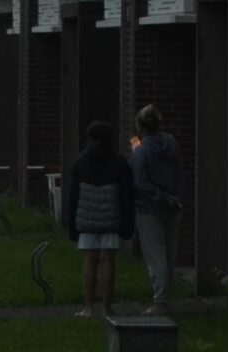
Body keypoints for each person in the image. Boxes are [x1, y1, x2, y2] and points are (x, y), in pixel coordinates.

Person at [63, 120, 132, 320]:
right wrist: (127, 223)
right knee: (108, 260)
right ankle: (107, 308)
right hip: (110, 218)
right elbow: (127, 194)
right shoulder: (119, 162)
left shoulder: (81, 162)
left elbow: (73, 195)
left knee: (89, 261)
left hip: (87, 219)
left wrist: (72, 224)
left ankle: (88, 308)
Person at [130, 105, 183, 306]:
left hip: (149, 208)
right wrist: (175, 198)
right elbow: (179, 173)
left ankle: (161, 299)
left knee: (155, 256)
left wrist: (158, 196)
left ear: (140, 127)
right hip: (173, 204)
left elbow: (139, 182)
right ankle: (168, 294)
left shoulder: (141, 152)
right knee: (170, 253)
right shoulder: (172, 144)